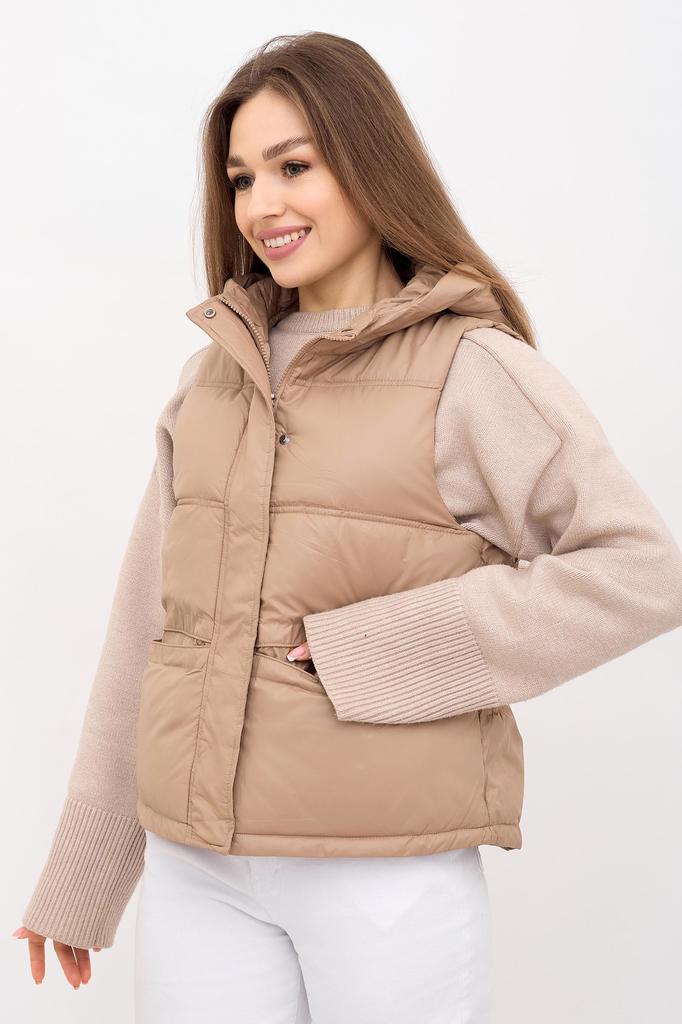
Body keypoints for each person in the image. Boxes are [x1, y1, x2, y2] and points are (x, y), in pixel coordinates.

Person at [14, 30, 682, 1024]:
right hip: (199, 871)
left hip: (382, 877)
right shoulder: (213, 377)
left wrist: (383, 649)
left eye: (295, 166)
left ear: (369, 163)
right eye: (242, 178)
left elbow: (642, 570)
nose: (261, 205)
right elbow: (148, 628)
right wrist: (88, 868)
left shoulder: (470, 366)